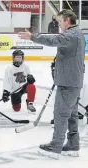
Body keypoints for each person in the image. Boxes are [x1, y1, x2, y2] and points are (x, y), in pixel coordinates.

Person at [19, 9, 85, 159]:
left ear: (68, 20)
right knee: (71, 115)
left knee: (61, 114)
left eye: (61, 21)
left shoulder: (70, 35)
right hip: (73, 80)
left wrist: (32, 37)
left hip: (68, 82)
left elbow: (53, 40)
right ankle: (73, 145)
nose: (60, 25)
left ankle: (56, 146)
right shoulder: (78, 33)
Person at [2, 49, 36, 114]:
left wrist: (31, 78)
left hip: (24, 87)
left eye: (20, 57)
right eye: (16, 57)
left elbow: (30, 77)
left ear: (22, 58)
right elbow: (7, 81)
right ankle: (17, 103)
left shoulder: (25, 66)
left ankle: (30, 104)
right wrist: (5, 92)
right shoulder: (9, 69)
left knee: (32, 86)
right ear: (13, 58)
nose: (18, 59)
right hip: (15, 90)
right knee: (16, 109)